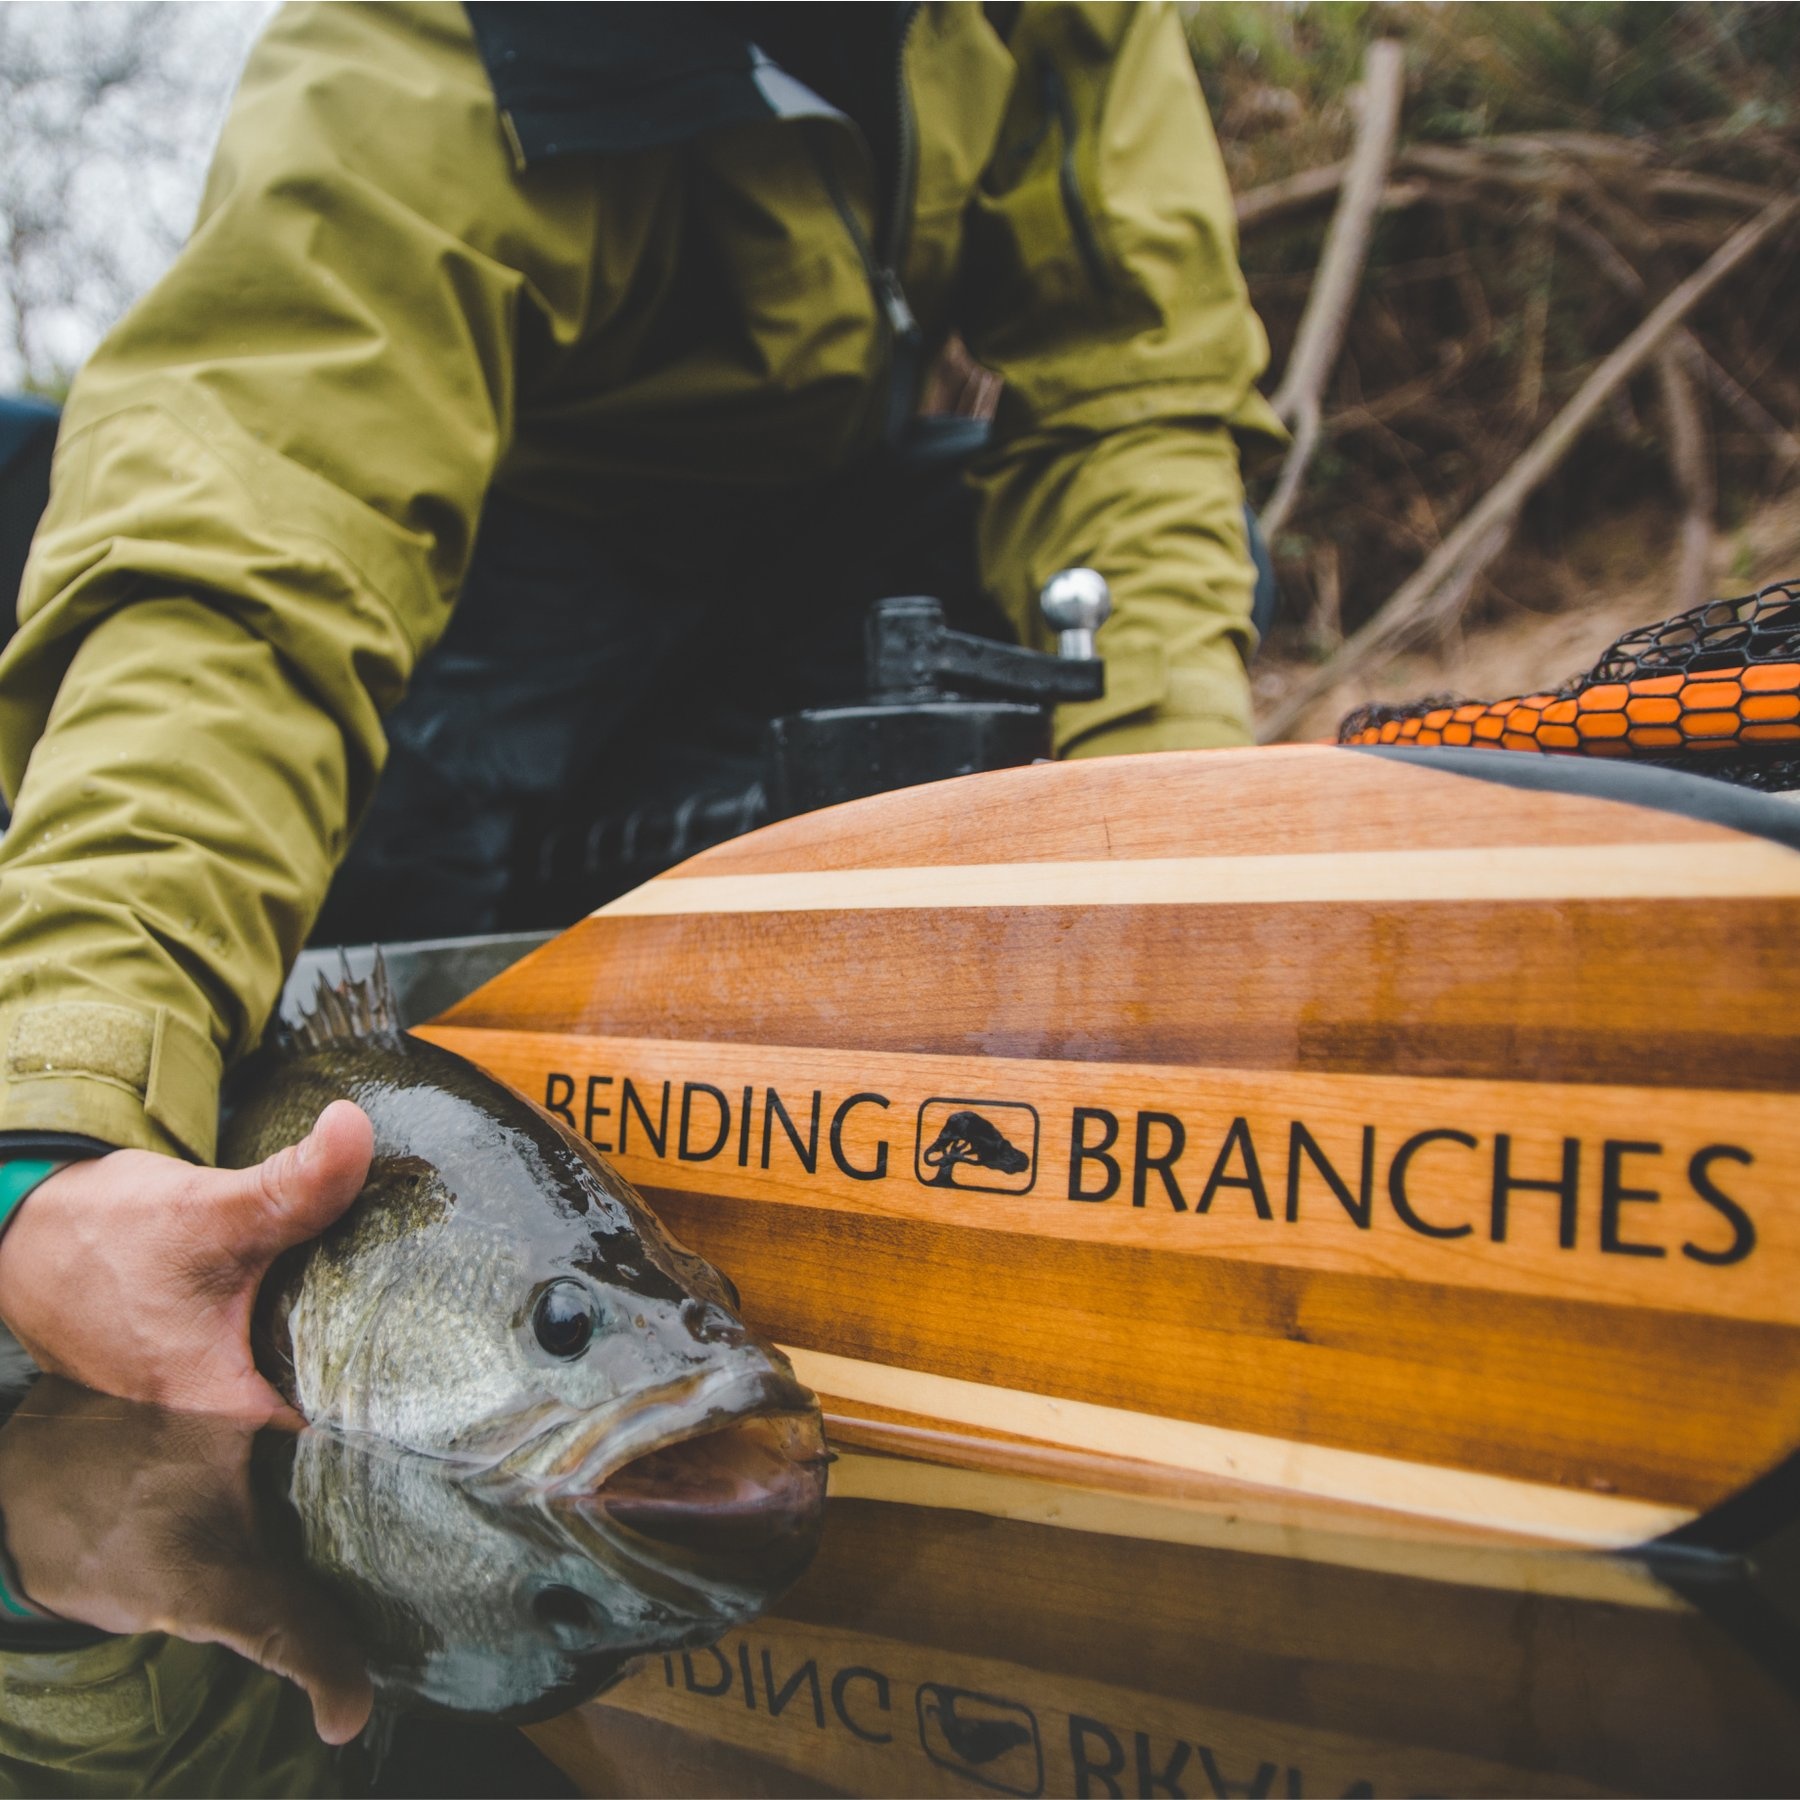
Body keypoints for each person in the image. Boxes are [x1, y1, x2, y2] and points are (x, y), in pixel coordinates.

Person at [0, 2, 1276, 1410]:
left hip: (789, 544)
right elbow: (254, 552)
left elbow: (1137, 406)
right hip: (485, 602)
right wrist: (50, 1134)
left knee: (1117, 586)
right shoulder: (431, 42)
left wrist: (1180, 877)